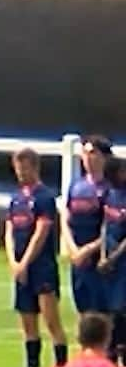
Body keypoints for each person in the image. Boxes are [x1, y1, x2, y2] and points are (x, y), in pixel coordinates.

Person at [5, 147, 67, 367]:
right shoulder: (16, 198)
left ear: (34, 167)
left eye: (24, 168)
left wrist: (26, 262)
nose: (20, 173)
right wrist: (13, 261)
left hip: (41, 267)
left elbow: (42, 232)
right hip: (21, 269)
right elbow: (9, 230)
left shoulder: (44, 197)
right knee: (27, 321)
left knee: (52, 321)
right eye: (17, 168)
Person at [62, 136, 112, 318]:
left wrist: (89, 250)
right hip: (78, 261)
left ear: (104, 158)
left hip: (100, 260)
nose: (88, 158)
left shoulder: (110, 189)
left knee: (102, 314)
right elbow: (66, 218)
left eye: (93, 153)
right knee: (82, 309)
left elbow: (112, 227)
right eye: (85, 153)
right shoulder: (76, 186)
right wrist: (73, 249)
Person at [99, 156, 126, 364]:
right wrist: (102, 256)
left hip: (122, 263)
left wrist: (113, 258)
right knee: (109, 309)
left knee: (121, 310)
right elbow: (105, 226)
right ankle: (110, 354)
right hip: (110, 263)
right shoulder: (109, 193)